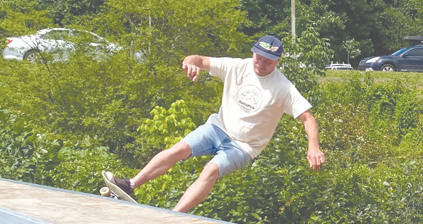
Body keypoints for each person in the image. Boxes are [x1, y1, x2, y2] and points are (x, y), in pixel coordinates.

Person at [102, 34, 325, 213]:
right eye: (258, 57)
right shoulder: (237, 66)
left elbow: (308, 118)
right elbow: (197, 59)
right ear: (253, 53)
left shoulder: (283, 87)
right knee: (178, 149)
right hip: (218, 127)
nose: (261, 63)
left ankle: (174, 216)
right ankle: (129, 185)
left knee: (210, 170)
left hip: (244, 146)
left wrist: (313, 146)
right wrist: (190, 63)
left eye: (268, 60)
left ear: (277, 61)